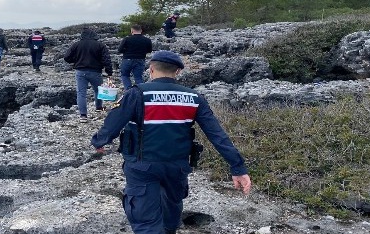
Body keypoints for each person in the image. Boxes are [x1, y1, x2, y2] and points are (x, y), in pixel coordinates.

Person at [90, 50, 251, 234]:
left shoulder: (136, 94)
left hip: (143, 167)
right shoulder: (194, 98)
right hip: (177, 167)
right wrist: (238, 168)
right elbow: (217, 135)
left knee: (146, 222)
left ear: (151, 70)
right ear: (177, 72)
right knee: (171, 216)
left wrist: (99, 141)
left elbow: (112, 125)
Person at [64, 27, 113, 122]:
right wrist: (109, 72)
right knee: (98, 91)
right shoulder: (100, 45)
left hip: (80, 72)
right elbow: (106, 60)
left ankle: (83, 115)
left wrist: (76, 61)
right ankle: (98, 107)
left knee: (81, 93)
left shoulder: (76, 44)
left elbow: (66, 57)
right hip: (96, 72)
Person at [117, 24, 152, 89]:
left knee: (125, 75)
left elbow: (119, 50)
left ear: (132, 30)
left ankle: (128, 90)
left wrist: (127, 51)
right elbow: (149, 50)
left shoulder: (127, 39)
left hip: (128, 59)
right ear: (141, 30)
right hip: (140, 59)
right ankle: (141, 92)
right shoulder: (147, 40)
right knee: (138, 77)